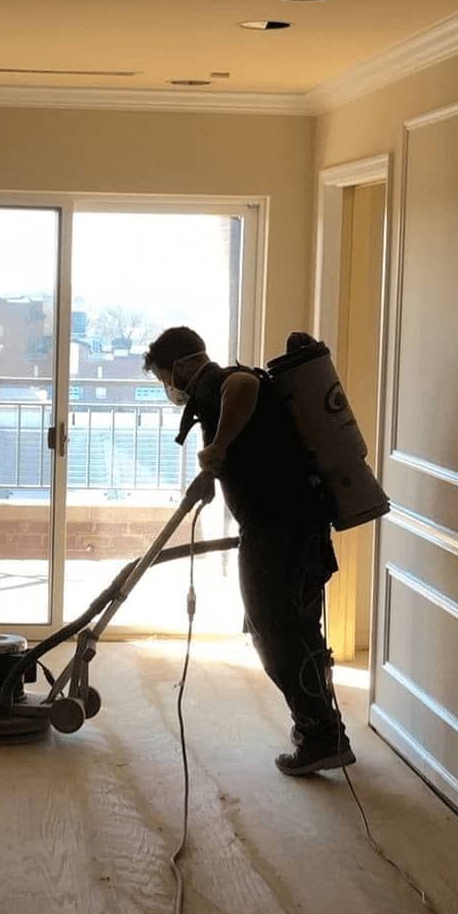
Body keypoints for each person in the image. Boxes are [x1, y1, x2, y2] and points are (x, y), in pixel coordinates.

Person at [143, 325, 354, 776]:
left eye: (164, 378)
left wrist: (217, 449)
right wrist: (216, 470)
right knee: (298, 627)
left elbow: (243, 386)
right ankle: (324, 729)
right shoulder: (211, 394)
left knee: (272, 629)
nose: (169, 388)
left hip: (277, 530)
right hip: (298, 523)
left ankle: (319, 733)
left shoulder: (216, 381)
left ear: (181, 366)